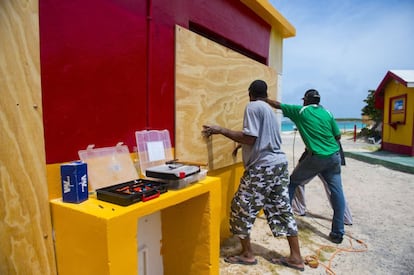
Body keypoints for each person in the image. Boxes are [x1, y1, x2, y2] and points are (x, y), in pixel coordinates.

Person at [202, 80, 304, 271]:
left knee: (240, 207)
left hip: (263, 168)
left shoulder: (252, 107)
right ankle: (296, 258)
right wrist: (244, 146)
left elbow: (251, 137)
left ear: (250, 94)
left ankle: (247, 254)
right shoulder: (268, 110)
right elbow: (262, 138)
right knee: (282, 208)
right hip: (278, 166)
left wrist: (220, 130)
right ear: (265, 94)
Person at [266, 89, 346, 244]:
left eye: (304, 100)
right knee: (337, 193)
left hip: (316, 157)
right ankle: (337, 233)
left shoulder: (301, 111)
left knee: (292, 183)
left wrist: (263, 98)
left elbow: (278, 105)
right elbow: (338, 136)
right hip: (334, 157)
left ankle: (284, 222)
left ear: (307, 100)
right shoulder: (327, 113)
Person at [292, 150, 353, 226]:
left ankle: (298, 209)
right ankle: (345, 217)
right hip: (333, 154)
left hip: (315, 156)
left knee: (297, 181)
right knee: (334, 190)